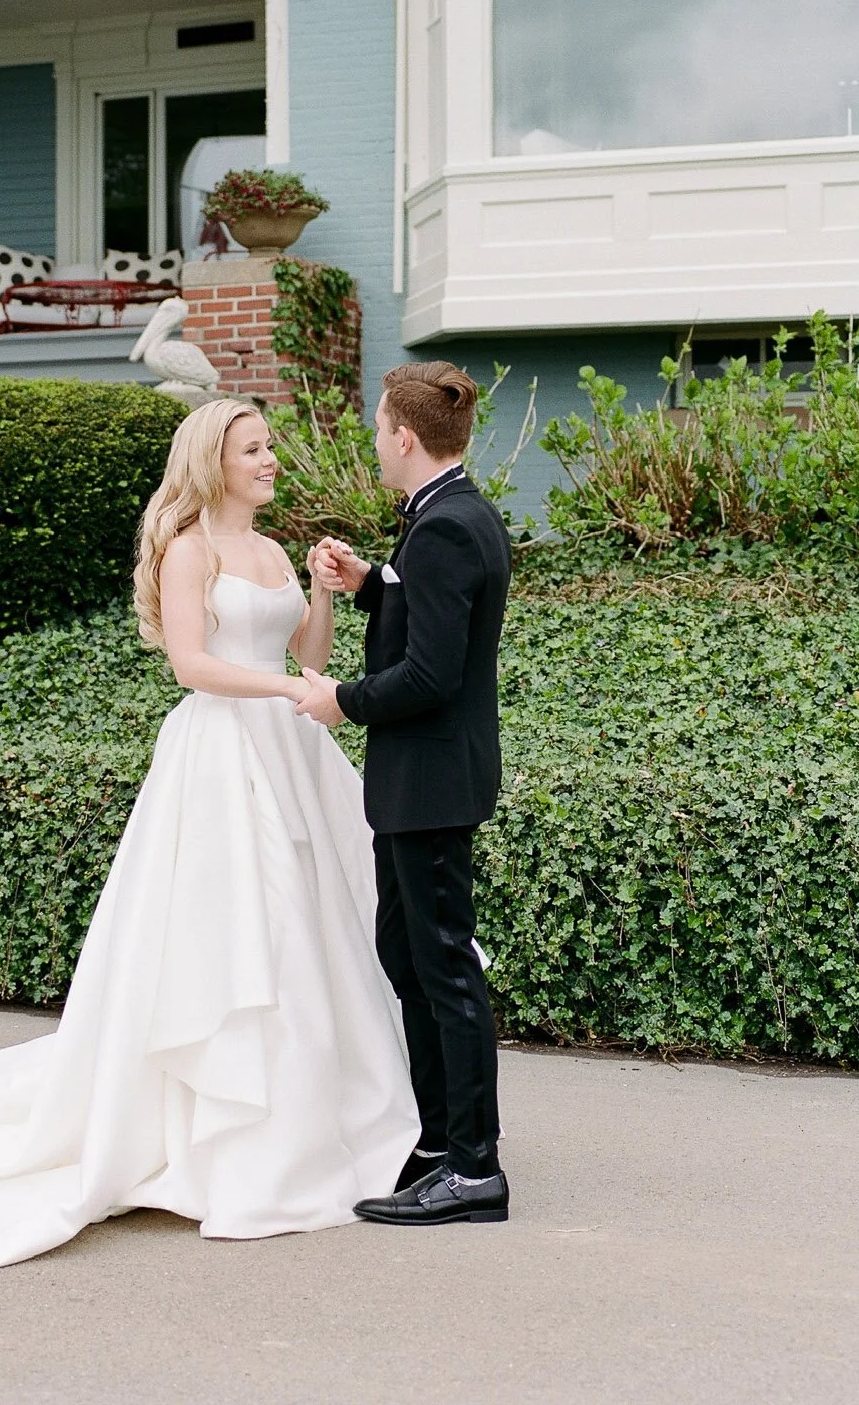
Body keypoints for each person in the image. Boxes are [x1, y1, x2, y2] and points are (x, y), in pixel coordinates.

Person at [0, 399, 418, 1266]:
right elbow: (192, 663)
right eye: (253, 450)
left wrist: (325, 598)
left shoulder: (271, 551)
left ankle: (316, 1110)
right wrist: (286, 693)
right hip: (222, 751)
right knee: (240, 925)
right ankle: (227, 1119)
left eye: (267, 448)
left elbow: (312, 659)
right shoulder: (192, 551)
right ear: (213, 463)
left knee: (309, 926)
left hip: (288, 751)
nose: (270, 461)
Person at [297, 361, 513, 1226]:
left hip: (428, 783)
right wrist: (374, 584)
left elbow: (430, 672)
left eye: (378, 428)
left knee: (445, 969)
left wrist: (340, 700)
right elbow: (430, 611)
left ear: (405, 437)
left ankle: (474, 1166)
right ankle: (439, 1142)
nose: (374, 442)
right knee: (412, 960)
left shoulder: (446, 529)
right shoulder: (449, 518)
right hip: (422, 784)